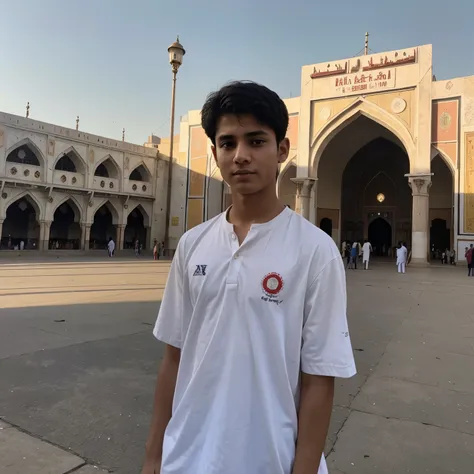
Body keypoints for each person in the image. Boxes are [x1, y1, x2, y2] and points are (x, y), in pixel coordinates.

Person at [142, 81, 356, 474]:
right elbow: (173, 358)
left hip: (271, 458)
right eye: (228, 143)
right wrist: (154, 456)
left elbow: (319, 380)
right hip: (186, 457)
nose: (240, 156)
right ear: (214, 153)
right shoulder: (192, 245)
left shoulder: (315, 252)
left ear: (282, 151)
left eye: (256, 142)